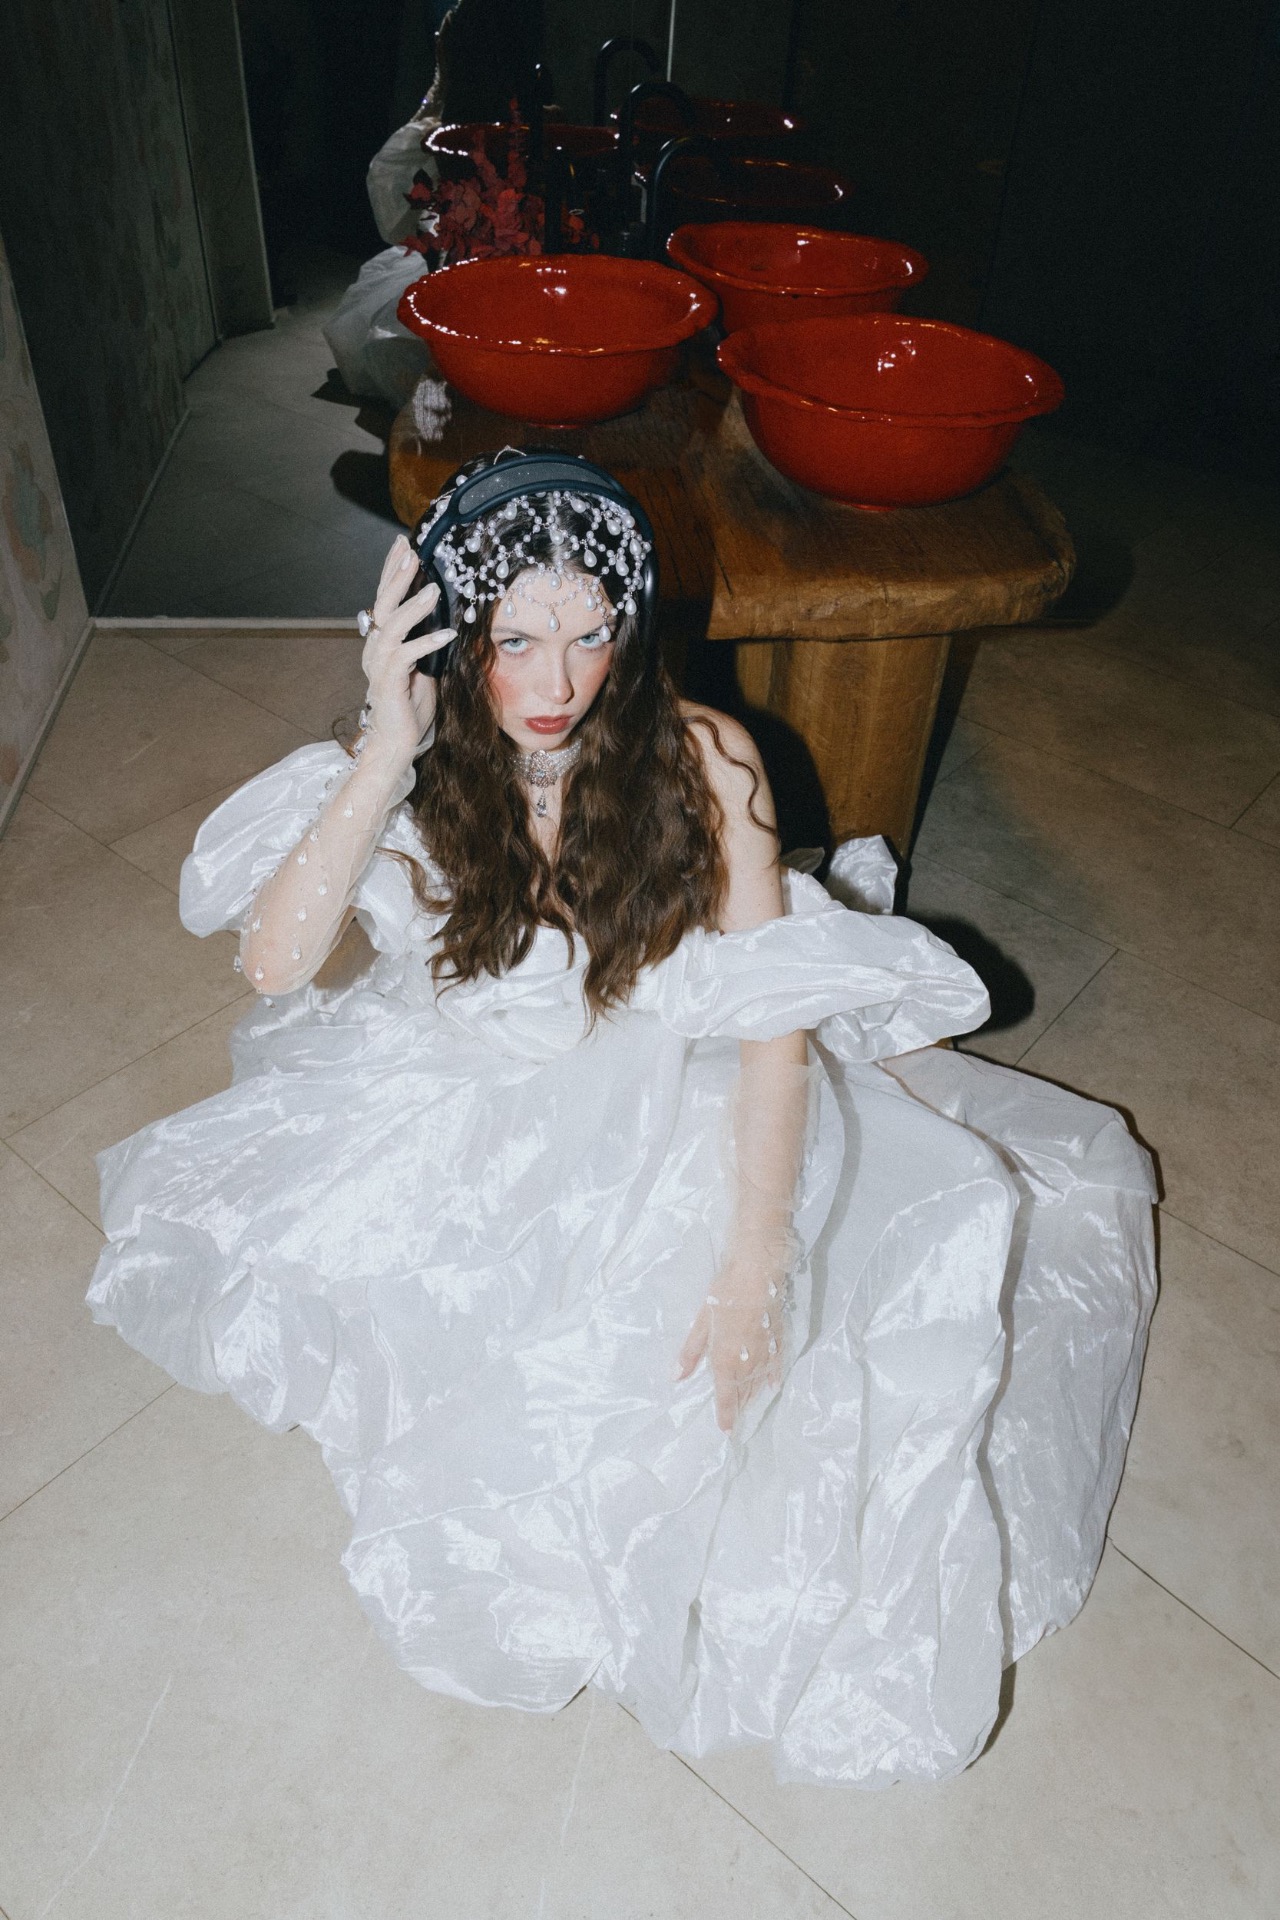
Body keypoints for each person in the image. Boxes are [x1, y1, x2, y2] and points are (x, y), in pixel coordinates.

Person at [87, 449, 1157, 1789]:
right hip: (450, 1097)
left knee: (779, 1350)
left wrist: (758, 1258)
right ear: (454, 638)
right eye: (517, 641)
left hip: (659, 1084)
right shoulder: (419, 760)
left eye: (592, 635)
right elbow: (273, 964)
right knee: (436, 1339)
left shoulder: (704, 759)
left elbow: (771, 1031)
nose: (559, 682)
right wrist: (386, 747)